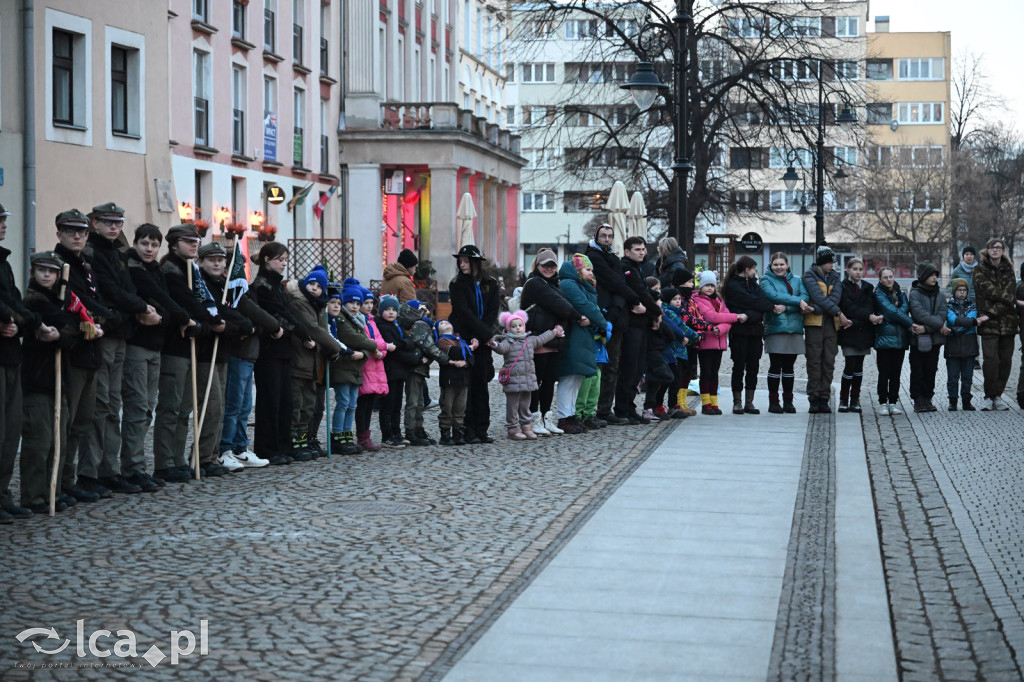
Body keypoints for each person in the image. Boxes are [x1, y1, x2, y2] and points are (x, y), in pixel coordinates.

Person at [53, 209, 122, 497]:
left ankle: (70, 481)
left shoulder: (84, 263)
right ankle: (59, 483)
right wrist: (106, 319)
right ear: (59, 234)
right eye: (71, 232)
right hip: (71, 349)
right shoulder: (57, 264)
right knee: (67, 421)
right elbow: (75, 303)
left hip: (90, 349)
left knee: (83, 419)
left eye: (82, 232)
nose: (78, 236)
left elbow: (94, 297)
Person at [122, 225, 192, 490]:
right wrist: (182, 316)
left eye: (153, 245)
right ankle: (132, 468)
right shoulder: (134, 268)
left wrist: (172, 315)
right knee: (137, 408)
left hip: (156, 345)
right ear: (136, 244)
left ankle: (137, 466)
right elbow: (158, 296)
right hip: (138, 344)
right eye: (144, 244)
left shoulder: (154, 270)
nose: (149, 249)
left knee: (147, 408)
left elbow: (164, 300)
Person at [0, 205, 57, 521]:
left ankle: (3, 494)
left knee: (9, 434)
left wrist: (23, 323)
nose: (4, 225)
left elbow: (14, 301)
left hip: (11, 354)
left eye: (5, 219)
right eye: (0, 220)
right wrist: (12, 321)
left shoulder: (4, 263)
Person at [17, 252, 73, 514]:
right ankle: (34, 494)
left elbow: (72, 329)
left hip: (58, 378)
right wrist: (64, 330)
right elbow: (66, 324)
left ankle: (54, 489)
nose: (47, 275)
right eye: (42, 271)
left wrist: (62, 334)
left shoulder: (60, 300)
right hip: (37, 378)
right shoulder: (32, 301)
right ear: (33, 273)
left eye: (52, 271)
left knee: (58, 439)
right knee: (39, 440)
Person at [197, 242, 257, 473]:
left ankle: (212, 455)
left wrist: (242, 325)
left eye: (220, 260)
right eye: (211, 259)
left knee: (221, 407)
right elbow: (216, 313)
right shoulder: (201, 284)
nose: (216, 263)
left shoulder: (224, 285)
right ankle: (205, 456)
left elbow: (233, 311)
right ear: (201, 262)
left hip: (222, 351)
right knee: (211, 408)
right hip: (205, 351)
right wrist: (240, 326)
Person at [250, 242, 311, 465]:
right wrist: (299, 330)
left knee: (285, 400)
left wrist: (301, 329)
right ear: (267, 259)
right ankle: (268, 447)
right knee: (270, 400)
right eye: (279, 259)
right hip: (269, 349)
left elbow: (288, 311)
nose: (283, 263)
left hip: (284, 348)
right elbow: (276, 314)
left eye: (285, 259)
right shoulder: (261, 285)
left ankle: (283, 445)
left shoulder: (278, 285)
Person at [519, 248, 580, 436]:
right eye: (545, 265)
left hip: (553, 340)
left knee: (548, 383)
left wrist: (562, 325)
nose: (549, 269)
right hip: (538, 339)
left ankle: (546, 417)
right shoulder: (535, 283)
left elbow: (562, 311)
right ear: (537, 265)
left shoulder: (555, 285)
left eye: (552, 265)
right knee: (536, 382)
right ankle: (533, 418)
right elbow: (562, 306)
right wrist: (578, 316)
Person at [286, 266, 342, 460]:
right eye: (311, 283)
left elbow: (321, 331)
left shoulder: (318, 306)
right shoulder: (299, 303)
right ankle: (293, 442)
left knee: (308, 407)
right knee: (296, 405)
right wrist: (335, 347)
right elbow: (313, 329)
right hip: (298, 361)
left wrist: (327, 349)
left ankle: (303, 440)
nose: (314, 288)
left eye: (319, 286)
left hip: (312, 365)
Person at [586, 224, 639, 425]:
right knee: (597, 364)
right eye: (603, 236)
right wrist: (633, 299)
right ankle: (591, 409)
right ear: (596, 237)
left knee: (613, 366)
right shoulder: (593, 257)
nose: (607, 239)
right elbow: (613, 282)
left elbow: (619, 286)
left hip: (616, 316)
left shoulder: (615, 259)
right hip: (600, 314)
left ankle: (605, 409)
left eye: (610, 236)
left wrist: (617, 308)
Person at [448, 245, 500, 444]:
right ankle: (467, 429)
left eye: (466, 261)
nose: (462, 265)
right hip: (466, 338)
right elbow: (463, 312)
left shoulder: (491, 283)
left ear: (475, 262)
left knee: (482, 384)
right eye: (460, 261)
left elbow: (492, 311)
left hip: (482, 341)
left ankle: (482, 428)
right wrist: (478, 336)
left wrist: (484, 336)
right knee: (467, 385)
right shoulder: (457, 284)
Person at [557, 254, 608, 434]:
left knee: (576, 378)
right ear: (578, 269)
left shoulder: (582, 285)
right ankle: (565, 416)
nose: (591, 273)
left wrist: (593, 322)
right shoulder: (569, 284)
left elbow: (590, 310)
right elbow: (585, 306)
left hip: (582, 334)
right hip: (573, 335)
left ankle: (571, 415)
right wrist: (602, 323)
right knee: (569, 378)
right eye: (587, 269)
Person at [490, 311, 562, 440]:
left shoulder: (530, 340)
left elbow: (541, 339)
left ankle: (526, 426)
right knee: (512, 406)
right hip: (513, 380)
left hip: (527, 380)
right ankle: (512, 428)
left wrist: (553, 332)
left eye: (519, 325)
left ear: (524, 326)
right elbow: (501, 349)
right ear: (508, 328)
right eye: (513, 326)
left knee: (525, 405)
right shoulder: (508, 342)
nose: (517, 328)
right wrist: (494, 344)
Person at [325, 281, 378, 454]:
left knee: (352, 404)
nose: (355, 306)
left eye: (357, 303)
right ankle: (337, 436)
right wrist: (372, 346)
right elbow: (353, 338)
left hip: (355, 368)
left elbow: (362, 343)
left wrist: (364, 353)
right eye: (351, 303)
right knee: (343, 402)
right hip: (343, 367)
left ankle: (347, 435)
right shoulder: (341, 319)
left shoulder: (358, 321)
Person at [722, 255, 776, 414]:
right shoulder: (732, 285)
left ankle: (749, 402)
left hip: (755, 331)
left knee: (753, 366)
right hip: (739, 332)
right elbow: (755, 303)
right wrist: (764, 307)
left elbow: (760, 307)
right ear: (747, 270)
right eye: (753, 268)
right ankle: (737, 402)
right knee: (738, 366)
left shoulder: (754, 284)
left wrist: (750, 315)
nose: (755, 271)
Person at [615, 237, 659, 423]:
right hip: (632, 325)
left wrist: (652, 305)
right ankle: (622, 408)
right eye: (637, 249)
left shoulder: (637, 268)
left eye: (643, 249)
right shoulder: (626, 268)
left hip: (641, 324)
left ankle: (630, 406)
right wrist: (656, 310)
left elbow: (646, 292)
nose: (642, 252)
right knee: (629, 367)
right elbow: (639, 292)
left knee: (637, 368)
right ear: (627, 251)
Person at [760, 253, 810, 414]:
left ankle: (788, 401)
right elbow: (772, 296)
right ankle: (773, 402)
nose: (779, 267)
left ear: (787, 265)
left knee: (789, 367)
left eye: (782, 264)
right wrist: (797, 302)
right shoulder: (766, 280)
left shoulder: (797, 280)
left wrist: (787, 307)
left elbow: (805, 298)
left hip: (794, 328)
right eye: (776, 264)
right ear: (771, 265)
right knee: (775, 366)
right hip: (775, 327)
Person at [972, 237, 1017, 410]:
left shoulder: (1009, 270)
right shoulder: (979, 269)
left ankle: (998, 395)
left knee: (1005, 361)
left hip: (1008, 323)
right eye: (992, 247)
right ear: (987, 250)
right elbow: (987, 291)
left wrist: (991, 313)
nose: (995, 250)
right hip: (988, 325)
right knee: (990, 360)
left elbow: (1009, 297)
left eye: (998, 247)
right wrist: (1007, 299)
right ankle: (989, 396)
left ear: (1003, 251)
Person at [397, 300, 450, 445]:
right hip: (415, 368)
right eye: (421, 306)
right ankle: (411, 431)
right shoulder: (420, 324)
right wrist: (446, 359)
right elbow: (427, 345)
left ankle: (418, 429)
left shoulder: (424, 323)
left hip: (420, 368)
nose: (425, 307)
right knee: (413, 401)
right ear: (414, 310)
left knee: (419, 401)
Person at [693, 271, 745, 415]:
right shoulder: (698, 300)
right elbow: (711, 316)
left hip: (718, 341)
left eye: (712, 285)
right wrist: (734, 317)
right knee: (706, 372)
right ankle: (705, 403)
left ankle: (714, 402)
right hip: (706, 342)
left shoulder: (719, 300)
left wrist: (720, 329)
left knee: (714, 373)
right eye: (707, 285)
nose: (710, 288)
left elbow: (726, 319)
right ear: (701, 286)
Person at [803, 245, 844, 414]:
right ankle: (814, 398)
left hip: (831, 326)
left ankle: (824, 398)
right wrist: (837, 312)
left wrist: (819, 309)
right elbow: (817, 296)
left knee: (828, 362)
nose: (831, 266)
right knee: (814, 362)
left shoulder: (835, 277)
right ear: (821, 262)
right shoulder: (809, 276)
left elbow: (834, 298)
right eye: (828, 263)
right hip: (814, 325)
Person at [837, 258, 879, 413]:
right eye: (854, 269)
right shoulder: (842, 287)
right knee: (849, 366)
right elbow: (848, 307)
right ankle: (843, 399)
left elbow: (869, 308)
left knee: (859, 367)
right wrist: (866, 316)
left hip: (862, 332)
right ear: (847, 270)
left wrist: (856, 321)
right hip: (848, 333)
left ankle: (855, 399)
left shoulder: (868, 287)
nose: (858, 272)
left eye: (860, 269)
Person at [908, 261, 950, 413]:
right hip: (917, 340)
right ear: (924, 276)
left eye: (935, 275)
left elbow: (942, 314)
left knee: (931, 369)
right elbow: (919, 313)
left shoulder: (940, 295)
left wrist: (926, 327)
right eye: (931, 275)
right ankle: (918, 399)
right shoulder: (914, 293)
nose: (934, 278)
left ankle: (928, 398)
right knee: (918, 369)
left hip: (934, 340)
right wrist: (938, 325)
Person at [376, 294, 417, 448]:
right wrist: (406, 348)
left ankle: (396, 432)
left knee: (397, 405)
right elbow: (394, 346)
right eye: (387, 309)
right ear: (381, 311)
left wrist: (403, 344)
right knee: (388, 405)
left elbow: (407, 342)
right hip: (389, 371)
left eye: (394, 309)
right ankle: (387, 435)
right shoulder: (382, 326)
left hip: (399, 371)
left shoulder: (397, 326)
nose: (391, 312)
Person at [355, 288, 391, 452]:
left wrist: (380, 351)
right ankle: (362, 436)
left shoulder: (372, 321)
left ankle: (366, 436)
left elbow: (379, 340)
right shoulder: (359, 321)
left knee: (369, 403)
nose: (369, 306)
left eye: (371, 303)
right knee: (362, 404)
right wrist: (382, 348)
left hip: (375, 365)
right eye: (366, 303)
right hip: (365, 366)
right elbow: (366, 341)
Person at [873, 267, 913, 415]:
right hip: (884, 338)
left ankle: (893, 402)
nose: (889, 280)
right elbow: (890, 310)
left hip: (900, 339)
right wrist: (905, 320)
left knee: (896, 373)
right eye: (885, 277)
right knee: (884, 373)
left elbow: (902, 309)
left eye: (891, 276)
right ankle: (883, 402)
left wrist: (893, 316)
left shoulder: (901, 293)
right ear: (880, 279)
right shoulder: (878, 294)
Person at [657, 287, 699, 418]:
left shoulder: (677, 312)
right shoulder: (669, 313)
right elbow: (681, 328)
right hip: (673, 352)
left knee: (676, 379)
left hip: (679, 351)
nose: (677, 302)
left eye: (679, 299)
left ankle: (674, 405)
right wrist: (695, 336)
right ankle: (664, 405)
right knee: (670, 379)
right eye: (674, 299)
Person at [435, 319, 475, 445]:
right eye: (441, 324)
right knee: (447, 405)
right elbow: (454, 352)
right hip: (449, 379)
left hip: (463, 379)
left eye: (446, 322)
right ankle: (445, 433)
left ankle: (458, 432)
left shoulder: (460, 340)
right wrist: (469, 348)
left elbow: (471, 358)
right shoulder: (442, 341)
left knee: (460, 407)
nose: (445, 323)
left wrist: (466, 362)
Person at [946, 278, 983, 411]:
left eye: (964, 290)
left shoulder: (972, 305)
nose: (962, 293)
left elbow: (970, 319)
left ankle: (966, 401)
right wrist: (970, 322)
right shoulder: (949, 305)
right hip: (953, 346)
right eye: (959, 290)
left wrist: (955, 330)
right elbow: (951, 319)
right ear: (954, 291)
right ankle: (953, 401)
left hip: (969, 345)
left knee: (967, 377)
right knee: (953, 377)